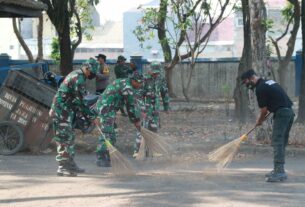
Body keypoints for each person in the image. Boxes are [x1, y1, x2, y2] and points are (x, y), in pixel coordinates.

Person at [241, 69, 295, 182]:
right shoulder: (269, 82)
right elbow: (277, 102)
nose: (246, 85)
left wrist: (259, 120)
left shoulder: (260, 89)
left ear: (251, 78)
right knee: (281, 142)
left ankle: (280, 172)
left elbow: (264, 110)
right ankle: (278, 169)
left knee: (277, 141)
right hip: (289, 112)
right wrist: (262, 118)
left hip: (282, 114)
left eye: (246, 82)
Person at [49, 59, 98, 177]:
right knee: (64, 139)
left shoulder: (78, 75)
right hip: (62, 111)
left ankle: (70, 164)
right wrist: (92, 117)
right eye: (91, 72)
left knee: (69, 137)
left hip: (67, 111)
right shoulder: (78, 78)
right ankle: (63, 167)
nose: (92, 75)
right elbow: (81, 101)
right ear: (87, 68)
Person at [95, 72, 143, 167]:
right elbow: (130, 107)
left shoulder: (123, 81)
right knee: (107, 133)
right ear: (133, 81)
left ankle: (107, 155)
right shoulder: (127, 88)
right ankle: (102, 157)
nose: (140, 85)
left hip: (108, 107)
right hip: (106, 108)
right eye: (139, 83)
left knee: (112, 133)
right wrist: (136, 121)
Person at [133, 61, 170, 156]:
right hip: (146, 107)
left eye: (157, 72)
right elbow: (139, 95)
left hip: (155, 107)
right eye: (154, 72)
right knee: (142, 129)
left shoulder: (161, 79)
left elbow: (164, 92)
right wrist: (142, 109)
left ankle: (154, 150)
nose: (155, 74)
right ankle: (137, 151)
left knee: (155, 128)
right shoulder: (144, 79)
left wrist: (166, 106)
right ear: (150, 70)